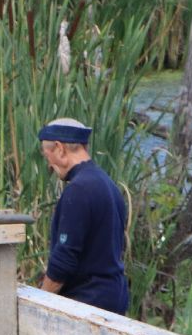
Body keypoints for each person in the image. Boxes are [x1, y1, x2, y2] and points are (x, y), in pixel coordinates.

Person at [37, 118, 130, 315]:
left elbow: (63, 260)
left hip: (88, 302)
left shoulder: (78, 190)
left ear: (60, 149)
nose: (49, 166)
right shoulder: (108, 184)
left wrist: (41, 302)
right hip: (114, 296)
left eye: (48, 157)